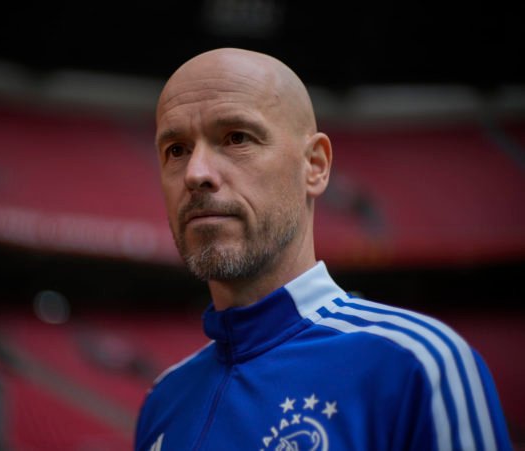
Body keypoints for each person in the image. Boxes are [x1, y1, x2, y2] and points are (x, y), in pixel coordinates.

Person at [134, 48, 512, 450]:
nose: (196, 173)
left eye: (236, 138)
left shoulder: (417, 365)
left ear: (315, 165)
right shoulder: (163, 402)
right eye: (176, 149)